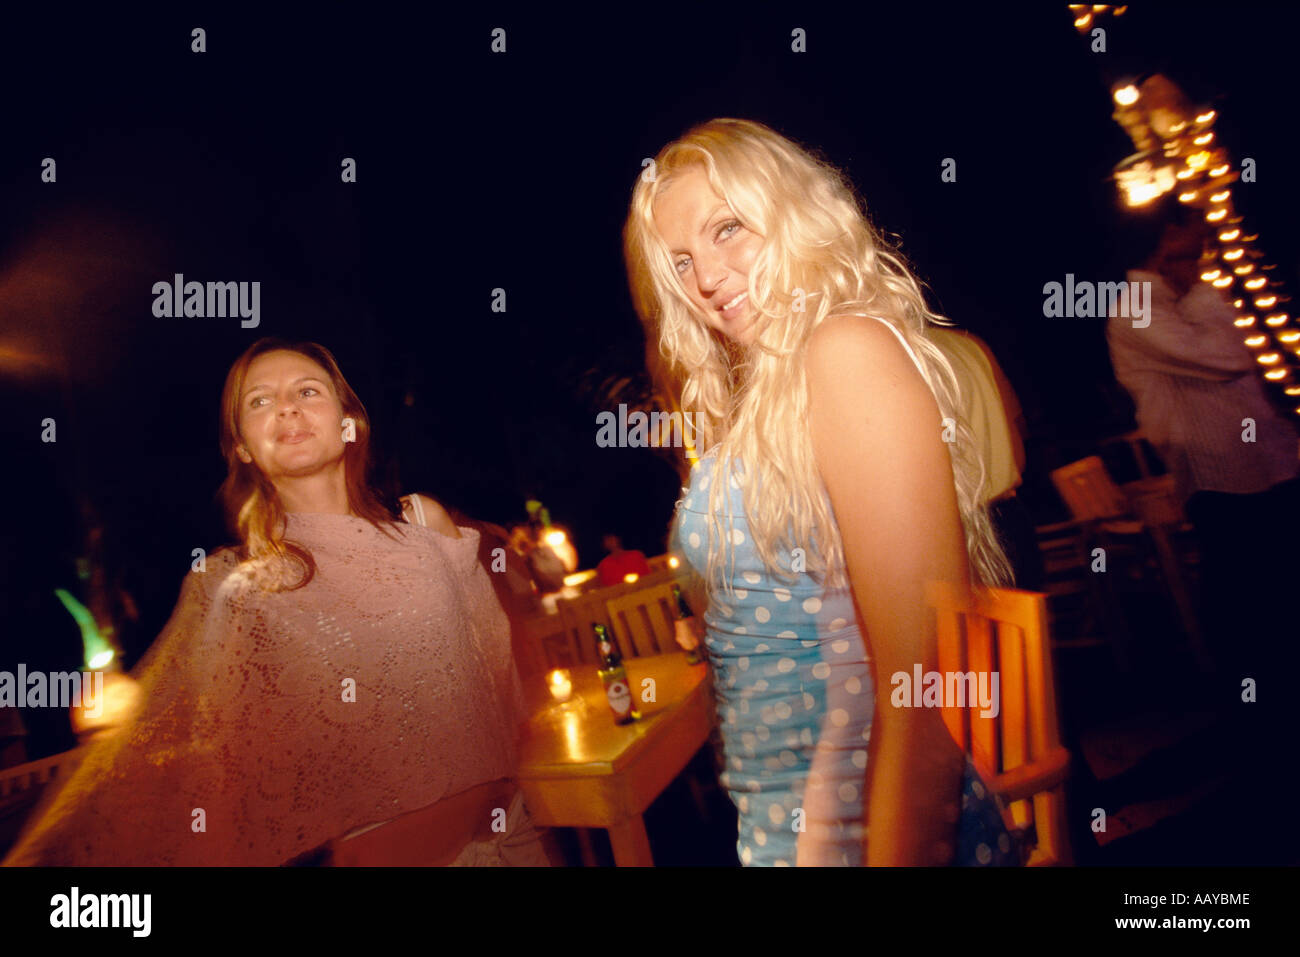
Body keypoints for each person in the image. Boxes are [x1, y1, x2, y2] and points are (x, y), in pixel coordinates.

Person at [624, 118, 1020, 866]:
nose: (706, 278)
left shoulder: (845, 353)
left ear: (792, 217)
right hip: (790, 825)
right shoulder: (759, 392)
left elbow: (923, 686)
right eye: (679, 261)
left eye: (728, 229)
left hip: (874, 830)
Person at [3, 338, 550, 866]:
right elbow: (213, 762)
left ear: (348, 423)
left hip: (511, 835)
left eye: (307, 391)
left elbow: (493, 665)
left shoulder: (424, 525)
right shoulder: (240, 590)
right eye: (260, 401)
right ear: (242, 445)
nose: (287, 407)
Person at [1106, 199, 1300, 689]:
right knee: (1244, 592)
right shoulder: (1136, 309)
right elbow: (1230, 355)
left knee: (1274, 582)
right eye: (1196, 229)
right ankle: (1251, 707)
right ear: (1168, 237)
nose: (1208, 240)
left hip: (1264, 462)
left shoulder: (1176, 298)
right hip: (1220, 473)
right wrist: (1205, 291)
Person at [927, 326, 1045, 591]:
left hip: (964, 533)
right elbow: (1017, 434)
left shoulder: (892, 352)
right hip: (1012, 518)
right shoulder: (969, 343)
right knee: (1026, 627)